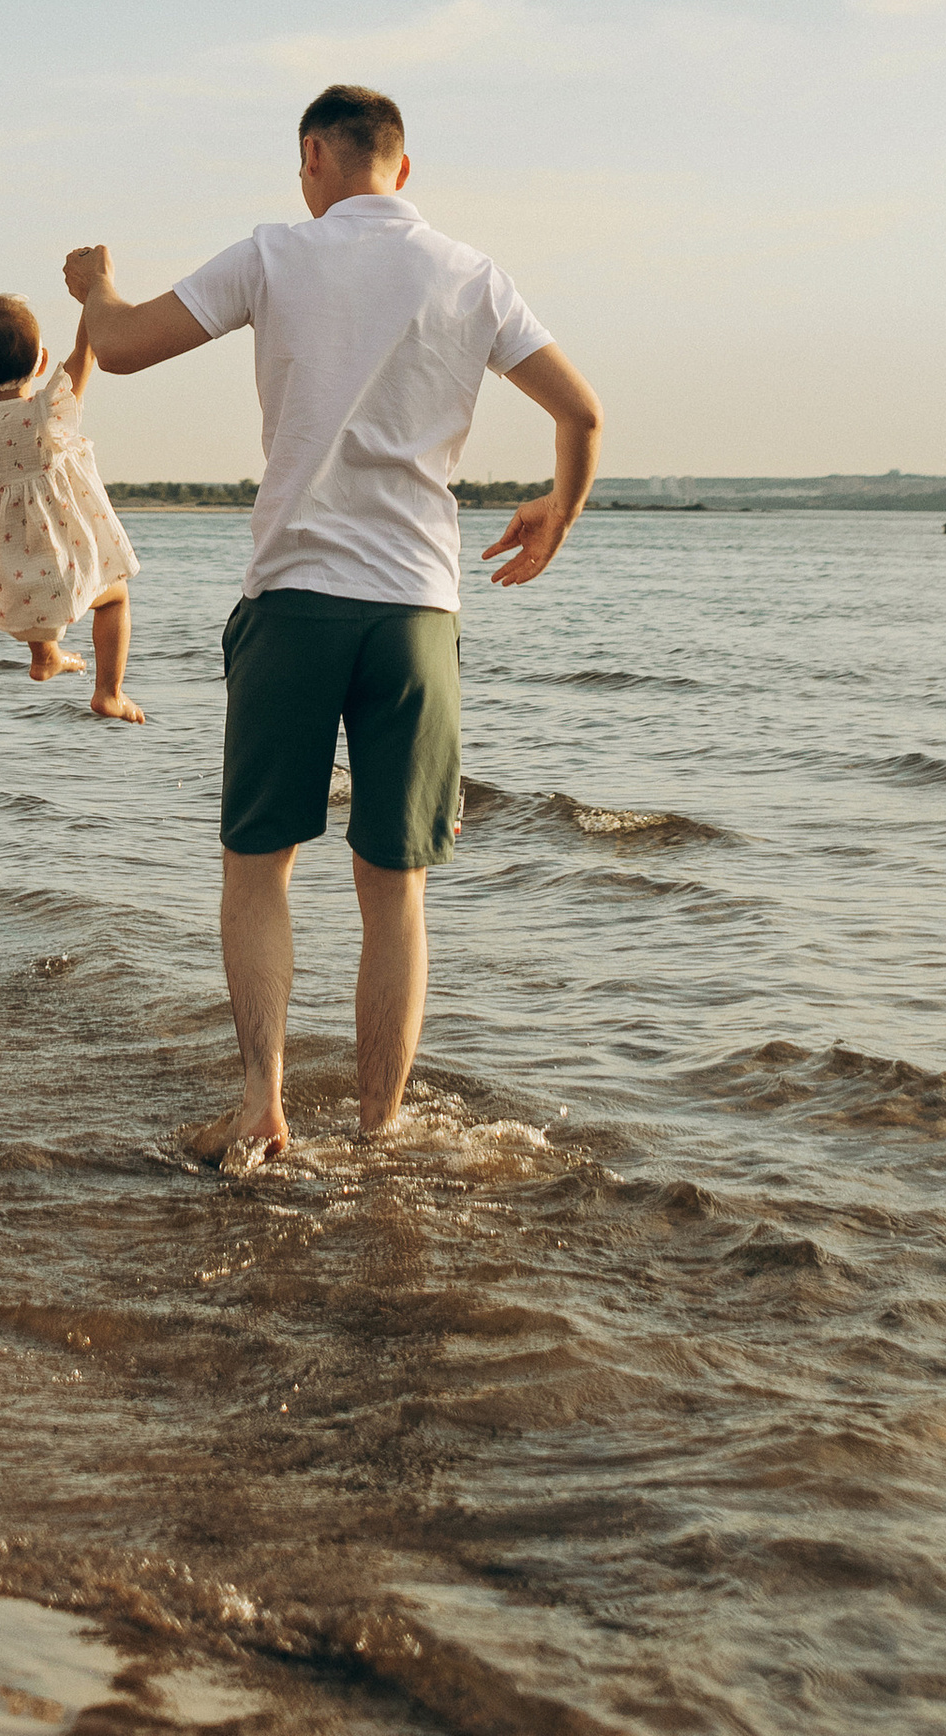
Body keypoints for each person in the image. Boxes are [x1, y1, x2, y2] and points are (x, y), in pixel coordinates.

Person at [64, 83, 600, 1164]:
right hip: (415, 614)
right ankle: (379, 1131)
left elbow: (118, 348)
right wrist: (556, 513)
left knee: (259, 867)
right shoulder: (470, 273)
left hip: (297, 597)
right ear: (400, 169)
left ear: (314, 157)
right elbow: (580, 412)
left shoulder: (274, 253)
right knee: (392, 890)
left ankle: (263, 1105)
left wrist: (94, 286)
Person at [0, 292, 145, 721]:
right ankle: (109, 691)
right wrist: (93, 295)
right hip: (62, 580)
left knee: (28, 573)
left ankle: (45, 657)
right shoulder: (46, 414)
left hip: (3, 588)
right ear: (40, 363)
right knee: (115, 598)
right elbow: (85, 353)